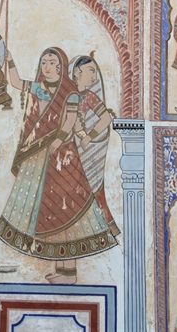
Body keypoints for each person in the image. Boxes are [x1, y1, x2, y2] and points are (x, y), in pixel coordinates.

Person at [0, 47, 119, 285]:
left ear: (62, 67)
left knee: (68, 208)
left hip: (64, 157)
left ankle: (69, 272)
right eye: (44, 63)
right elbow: (16, 82)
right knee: (52, 210)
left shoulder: (69, 93)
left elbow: (71, 121)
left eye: (52, 63)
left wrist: (64, 140)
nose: (47, 67)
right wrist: (9, 60)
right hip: (45, 156)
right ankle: (62, 270)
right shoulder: (40, 88)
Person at [68, 53, 120, 237]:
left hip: (84, 151)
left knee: (94, 190)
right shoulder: (66, 95)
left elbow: (106, 118)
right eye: (91, 71)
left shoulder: (88, 96)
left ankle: (107, 227)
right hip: (67, 150)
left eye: (96, 72)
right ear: (77, 72)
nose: (94, 77)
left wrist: (88, 137)